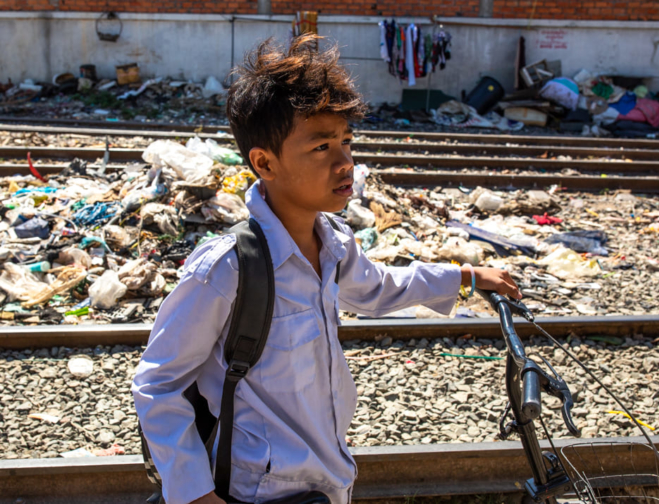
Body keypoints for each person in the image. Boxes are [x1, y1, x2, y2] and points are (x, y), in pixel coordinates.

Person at [132, 34, 521, 504]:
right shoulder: (229, 268)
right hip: (259, 490)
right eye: (321, 148)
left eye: (347, 142)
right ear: (264, 163)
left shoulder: (333, 241)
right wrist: (195, 495)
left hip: (327, 479)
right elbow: (157, 384)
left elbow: (378, 289)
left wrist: (465, 276)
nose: (346, 164)